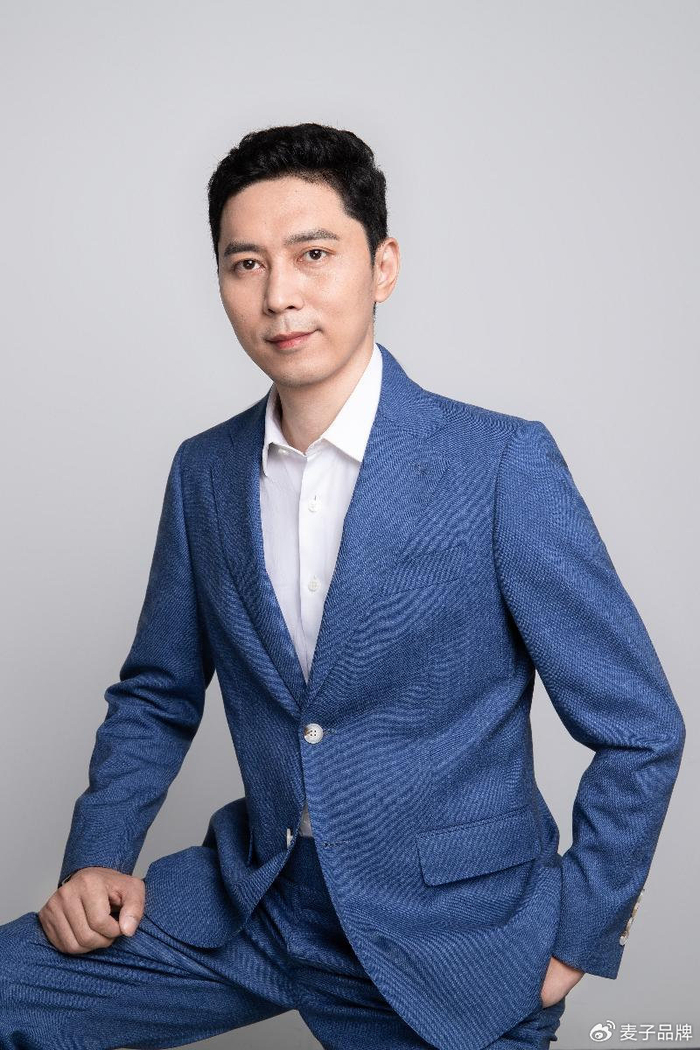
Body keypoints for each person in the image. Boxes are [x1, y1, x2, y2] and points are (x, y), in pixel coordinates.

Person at [0, 123, 685, 1050]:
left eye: (313, 254)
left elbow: (641, 727)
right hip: (255, 901)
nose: (279, 294)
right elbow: (158, 694)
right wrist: (97, 858)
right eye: (245, 264)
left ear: (382, 266)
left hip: (455, 938)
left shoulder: (499, 464)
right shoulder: (204, 472)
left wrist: (578, 935)